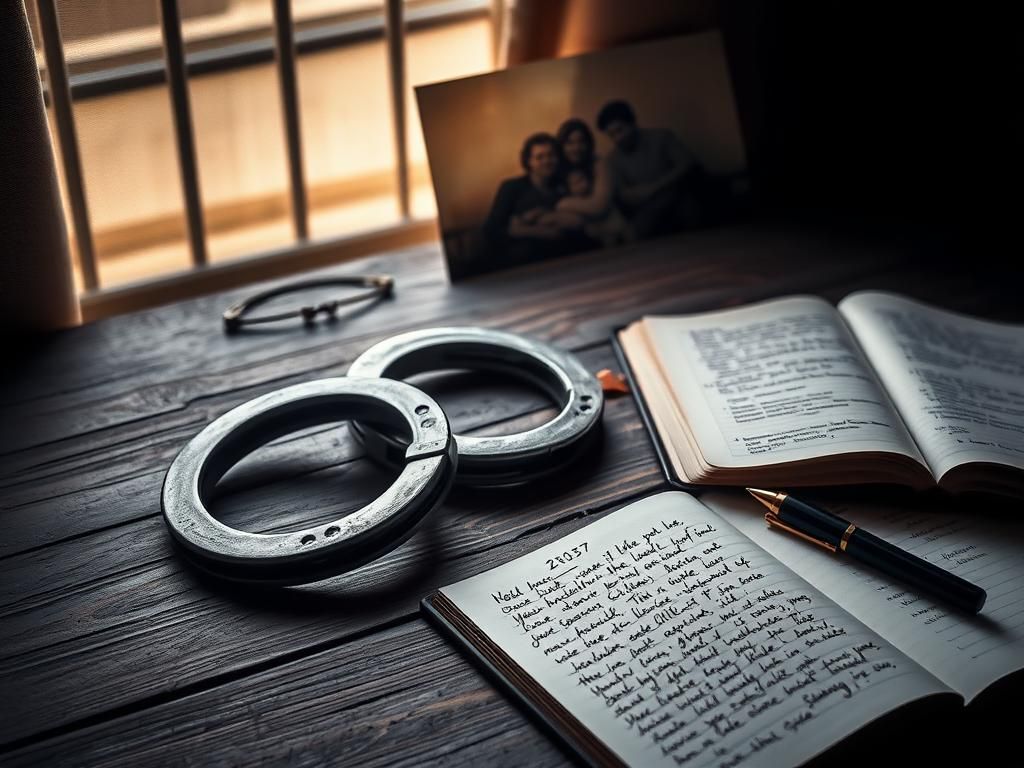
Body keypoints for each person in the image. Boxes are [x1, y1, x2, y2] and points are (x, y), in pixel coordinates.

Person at [596, 99, 708, 239]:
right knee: (635, 233)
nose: (617, 138)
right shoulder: (613, 158)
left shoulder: (662, 137)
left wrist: (653, 188)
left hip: (680, 198)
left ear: (632, 123)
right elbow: (623, 192)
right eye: (611, 134)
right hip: (649, 208)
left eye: (620, 130)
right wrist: (633, 195)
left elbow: (688, 163)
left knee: (692, 213)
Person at [481, 133, 570, 266]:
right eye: (540, 157)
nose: (547, 161)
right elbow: (491, 230)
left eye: (551, 155)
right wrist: (537, 232)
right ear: (529, 161)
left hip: (559, 261)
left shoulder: (563, 186)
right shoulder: (511, 187)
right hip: (519, 263)